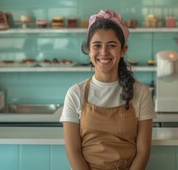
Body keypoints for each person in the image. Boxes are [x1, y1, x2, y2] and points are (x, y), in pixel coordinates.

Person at [60, 10, 156, 170]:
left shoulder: (141, 92)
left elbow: (143, 151)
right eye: (97, 45)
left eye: (112, 45)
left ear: (123, 50)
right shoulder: (75, 93)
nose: (104, 52)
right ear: (89, 50)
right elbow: (73, 152)